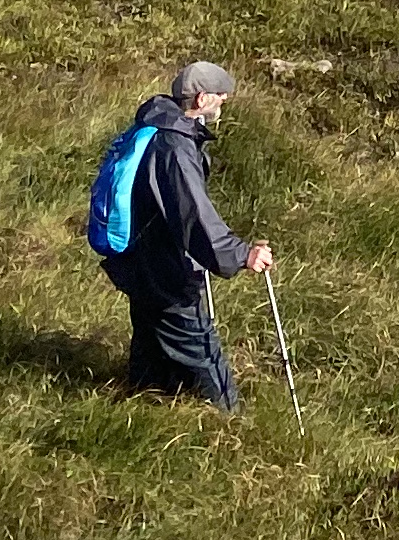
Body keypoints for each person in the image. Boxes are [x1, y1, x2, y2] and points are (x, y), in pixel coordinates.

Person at [96, 61, 271, 407]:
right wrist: (242, 255)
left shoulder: (154, 125)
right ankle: (227, 420)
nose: (224, 101)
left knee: (150, 337)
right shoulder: (174, 146)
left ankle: (143, 401)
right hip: (163, 265)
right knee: (200, 346)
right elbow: (194, 216)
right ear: (202, 98)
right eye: (220, 95)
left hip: (138, 256)